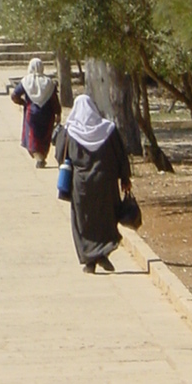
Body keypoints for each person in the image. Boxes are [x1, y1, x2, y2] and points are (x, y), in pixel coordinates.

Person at [54, 93, 132, 273]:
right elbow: (121, 156)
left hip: (81, 186)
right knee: (106, 217)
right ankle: (102, 254)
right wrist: (125, 178)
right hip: (106, 183)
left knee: (83, 222)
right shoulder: (108, 130)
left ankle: (90, 259)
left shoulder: (69, 132)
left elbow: (60, 157)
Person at [10, 57, 62, 167]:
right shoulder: (49, 82)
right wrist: (58, 113)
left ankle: (39, 157)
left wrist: (23, 102)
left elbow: (14, 95)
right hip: (47, 115)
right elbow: (54, 100)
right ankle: (41, 156)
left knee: (33, 136)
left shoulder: (26, 81)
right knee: (45, 136)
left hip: (31, 114)